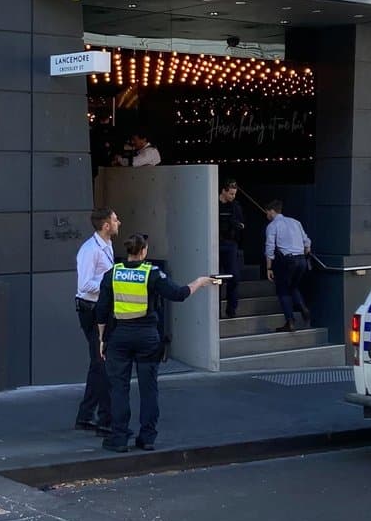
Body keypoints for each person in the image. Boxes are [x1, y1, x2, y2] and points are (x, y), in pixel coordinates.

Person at [96, 234, 217, 453]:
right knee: (149, 388)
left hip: (119, 336)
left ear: (128, 251)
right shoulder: (151, 273)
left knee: (119, 389)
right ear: (143, 252)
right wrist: (200, 281)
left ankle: (119, 438)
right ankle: (147, 437)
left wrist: (102, 339)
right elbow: (178, 294)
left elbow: (102, 311)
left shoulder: (112, 273)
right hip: (147, 337)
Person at [74, 208, 119, 435]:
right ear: (105, 225)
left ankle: (85, 416)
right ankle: (104, 420)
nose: (118, 222)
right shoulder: (90, 250)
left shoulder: (107, 245)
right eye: (114, 219)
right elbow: (84, 285)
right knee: (102, 362)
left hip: (100, 308)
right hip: (90, 309)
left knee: (97, 362)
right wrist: (108, 284)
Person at [264, 200, 311, 333]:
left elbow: (270, 248)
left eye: (267, 212)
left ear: (272, 211)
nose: (266, 215)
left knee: (283, 290)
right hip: (301, 260)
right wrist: (305, 251)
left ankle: (290, 321)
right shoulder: (296, 222)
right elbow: (307, 242)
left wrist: (269, 268)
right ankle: (303, 308)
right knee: (293, 286)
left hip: (287, 261)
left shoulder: (273, 226)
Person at [218, 179, 245, 319]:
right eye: (231, 194)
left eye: (234, 194)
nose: (233, 197)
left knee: (234, 277)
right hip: (215, 244)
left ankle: (231, 308)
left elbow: (241, 223)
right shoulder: (213, 203)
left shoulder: (235, 206)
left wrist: (237, 226)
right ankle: (215, 309)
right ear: (223, 191)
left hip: (230, 243)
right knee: (216, 278)